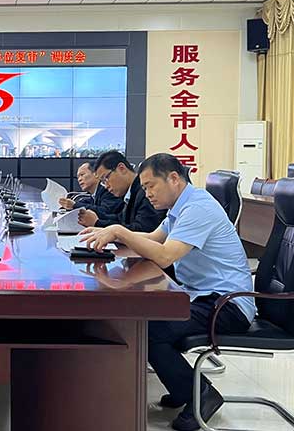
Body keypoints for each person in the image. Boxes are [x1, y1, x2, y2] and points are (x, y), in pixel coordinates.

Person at [81, 153, 255, 431]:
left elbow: (164, 256)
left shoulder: (198, 208)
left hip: (227, 304)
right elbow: (152, 239)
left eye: (151, 186)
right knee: (146, 320)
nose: (147, 193)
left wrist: (119, 232)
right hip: (202, 295)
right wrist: (109, 232)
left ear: (174, 178)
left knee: (149, 331)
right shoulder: (179, 208)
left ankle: (200, 394)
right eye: (145, 187)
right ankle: (181, 385)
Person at [78, 150, 165, 233]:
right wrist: (96, 220)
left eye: (106, 178)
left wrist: (98, 223)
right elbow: (121, 219)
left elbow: (142, 230)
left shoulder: (144, 192)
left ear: (121, 168)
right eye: (103, 182)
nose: (106, 186)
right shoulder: (130, 192)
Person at [58, 161, 123, 216]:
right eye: (78, 177)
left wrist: (75, 205)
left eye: (82, 175)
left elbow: (105, 211)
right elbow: (89, 204)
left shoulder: (108, 189)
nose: (79, 179)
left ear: (95, 174)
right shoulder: (94, 195)